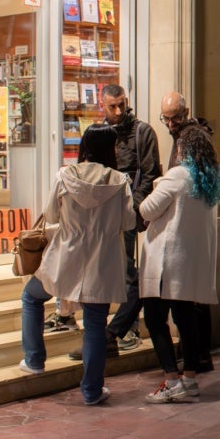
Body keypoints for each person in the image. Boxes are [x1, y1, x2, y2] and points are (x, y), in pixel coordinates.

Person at [17, 125, 135, 406]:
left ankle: (34, 359)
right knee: (95, 323)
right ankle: (91, 391)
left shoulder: (65, 176)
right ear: (111, 149)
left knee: (31, 297)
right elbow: (129, 223)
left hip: (64, 257)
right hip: (102, 262)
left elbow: (50, 214)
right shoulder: (119, 181)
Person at [68, 85, 161, 360]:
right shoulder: (98, 133)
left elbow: (150, 172)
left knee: (129, 275)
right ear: (102, 105)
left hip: (124, 215)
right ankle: (105, 337)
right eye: (112, 106)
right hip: (97, 217)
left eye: (122, 105)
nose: (118, 111)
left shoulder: (142, 132)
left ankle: (114, 332)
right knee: (104, 275)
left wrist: (132, 209)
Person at [140, 126, 220, 403]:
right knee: (186, 322)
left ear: (183, 150)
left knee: (154, 319)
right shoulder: (209, 180)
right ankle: (190, 379)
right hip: (190, 263)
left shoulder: (176, 176)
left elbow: (147, 209)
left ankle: (172, 381)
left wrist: (156, 185)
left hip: (166, 262)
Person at [158, 91, 214, 372]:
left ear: (186, 111)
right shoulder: (180, 135)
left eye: (175, 117)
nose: (170, 124)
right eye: (166, 119)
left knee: (187, 305)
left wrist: (167, 185)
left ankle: (198, 357)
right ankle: (197, 357)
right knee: (188, 302)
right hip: (186, 226)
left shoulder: (193, 137)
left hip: (188, 227)